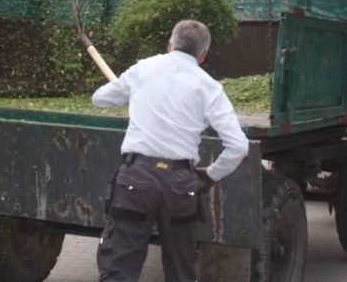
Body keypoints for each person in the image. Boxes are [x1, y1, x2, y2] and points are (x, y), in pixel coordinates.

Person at [92, 19, 249, 281]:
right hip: (181, 186)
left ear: (169, 45)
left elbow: (99, 99)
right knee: (181, 270)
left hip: (136, 180)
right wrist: (210, 175)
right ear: (203, 55)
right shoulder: (209, 87)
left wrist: (128, 91)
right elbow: (238, 146)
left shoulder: (144, 68)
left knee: (118, 269)